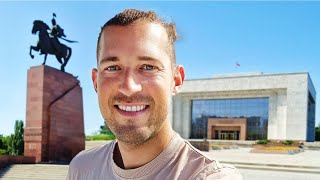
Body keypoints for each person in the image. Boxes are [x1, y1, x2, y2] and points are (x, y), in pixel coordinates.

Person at [67, 9, 242, 180]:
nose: (129, 87)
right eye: (112, 68)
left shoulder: (210, 176)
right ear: (96, 82)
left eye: (148, 67)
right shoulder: (82, 168)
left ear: (176, 80)